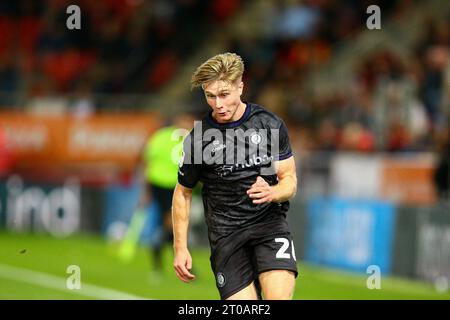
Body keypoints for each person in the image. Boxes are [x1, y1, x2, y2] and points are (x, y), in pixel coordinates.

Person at [172, 53, 298, 300]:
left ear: (240, 87)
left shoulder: (268, 124)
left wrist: (273, 192)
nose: (218, 104)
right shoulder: (199, 140)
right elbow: (183, 193)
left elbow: (289, 180)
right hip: (226, 237)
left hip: (269, 228)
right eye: (210, 96)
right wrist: (180, 247)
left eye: (224, 94)